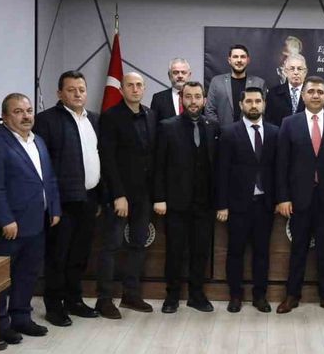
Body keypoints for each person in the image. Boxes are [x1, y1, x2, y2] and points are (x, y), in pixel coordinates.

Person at [276, 76, 324, 315]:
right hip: (299, 198)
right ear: (304, 95)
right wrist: (283, 197)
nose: (316, 95)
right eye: (311, 92)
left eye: (320, 91)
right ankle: (292, 295)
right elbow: (282, 164)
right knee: (298, 247)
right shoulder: (289, 123)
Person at [0, 93, 61, 345]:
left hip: (38, 221)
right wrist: (5, 218)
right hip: (12, 225)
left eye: (28, 111)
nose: (26, 116)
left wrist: (54, 208)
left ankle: (21, 317)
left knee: (28, 273)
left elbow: (48, 178)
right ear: (4, 117)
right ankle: (0, 324)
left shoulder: (38, 140)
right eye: (18, 112)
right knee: (3, 277)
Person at [34, 70, 101, 327]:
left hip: (89, 198)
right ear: (59, 93)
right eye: (71, 90)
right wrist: (51, 203)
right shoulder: (46, 121)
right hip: (62, 201)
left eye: (81, 90)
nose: (77, 94)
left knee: (80, 255)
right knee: (58, 256)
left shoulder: (93, 119)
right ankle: (54, 306)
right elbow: (43, 165)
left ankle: (74, 300)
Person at [155, 81, 219, 313]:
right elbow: (158, 165)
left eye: (197, 97)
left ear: (204, 100)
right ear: (182, 99)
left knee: (200, 251)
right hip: (176, 203)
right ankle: (172, 296)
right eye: (189, 96)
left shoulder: (213, 126)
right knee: (175, 251)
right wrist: (159, 197)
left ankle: (196, 295)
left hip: (204, 203)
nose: (193, 101)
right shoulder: (167, 126)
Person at [97, 72, 156, 319]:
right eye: (130, 85)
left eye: (139, 85)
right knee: (111, 246)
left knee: (138, 245)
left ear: (144, 88)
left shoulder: (151, 115)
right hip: (120, 194)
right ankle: (104, 299)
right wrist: (118, 195)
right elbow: (108, 158)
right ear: (121, 90)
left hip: (144, 194)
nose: (135, 89)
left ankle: (130, 295)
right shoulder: (111, 116)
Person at [215, 87, 278, 313]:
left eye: (258, 101)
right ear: (241, 105)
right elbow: (221, 171)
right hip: (237, 205)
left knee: (262, 252)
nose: (254, 105)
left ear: (264, 104)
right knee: (235, 252)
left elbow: (278, 169)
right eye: (249, 101)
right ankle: (235, 295)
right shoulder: (229, 132)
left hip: (265, 204)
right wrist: (222, 204)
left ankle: (260, 296)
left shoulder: (274, 132)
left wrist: (280, 200)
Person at [205, 44, 266, 124]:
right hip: (222, 130)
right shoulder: (216, 82)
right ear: (229, 60)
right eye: (235, 57)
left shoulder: (259, 83)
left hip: (250, 131)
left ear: (248, 60)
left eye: (242, 57)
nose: (239, 60)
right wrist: (220, 129)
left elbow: (263, 111)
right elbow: (209, 110)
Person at [265, 54, 307, 127]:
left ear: (305, 72)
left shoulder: (312, 94)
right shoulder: (273, 94)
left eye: (299, 69)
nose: (296, 72)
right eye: (292, 69)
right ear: (285, 72)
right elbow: (268, 121)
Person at [150, 58, 192, 123]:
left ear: (189, 75)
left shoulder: (198, 98)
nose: (180, 76)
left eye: (183, 72)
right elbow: (153, 125)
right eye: (176, 72)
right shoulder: (158, 98)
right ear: (169, 76)